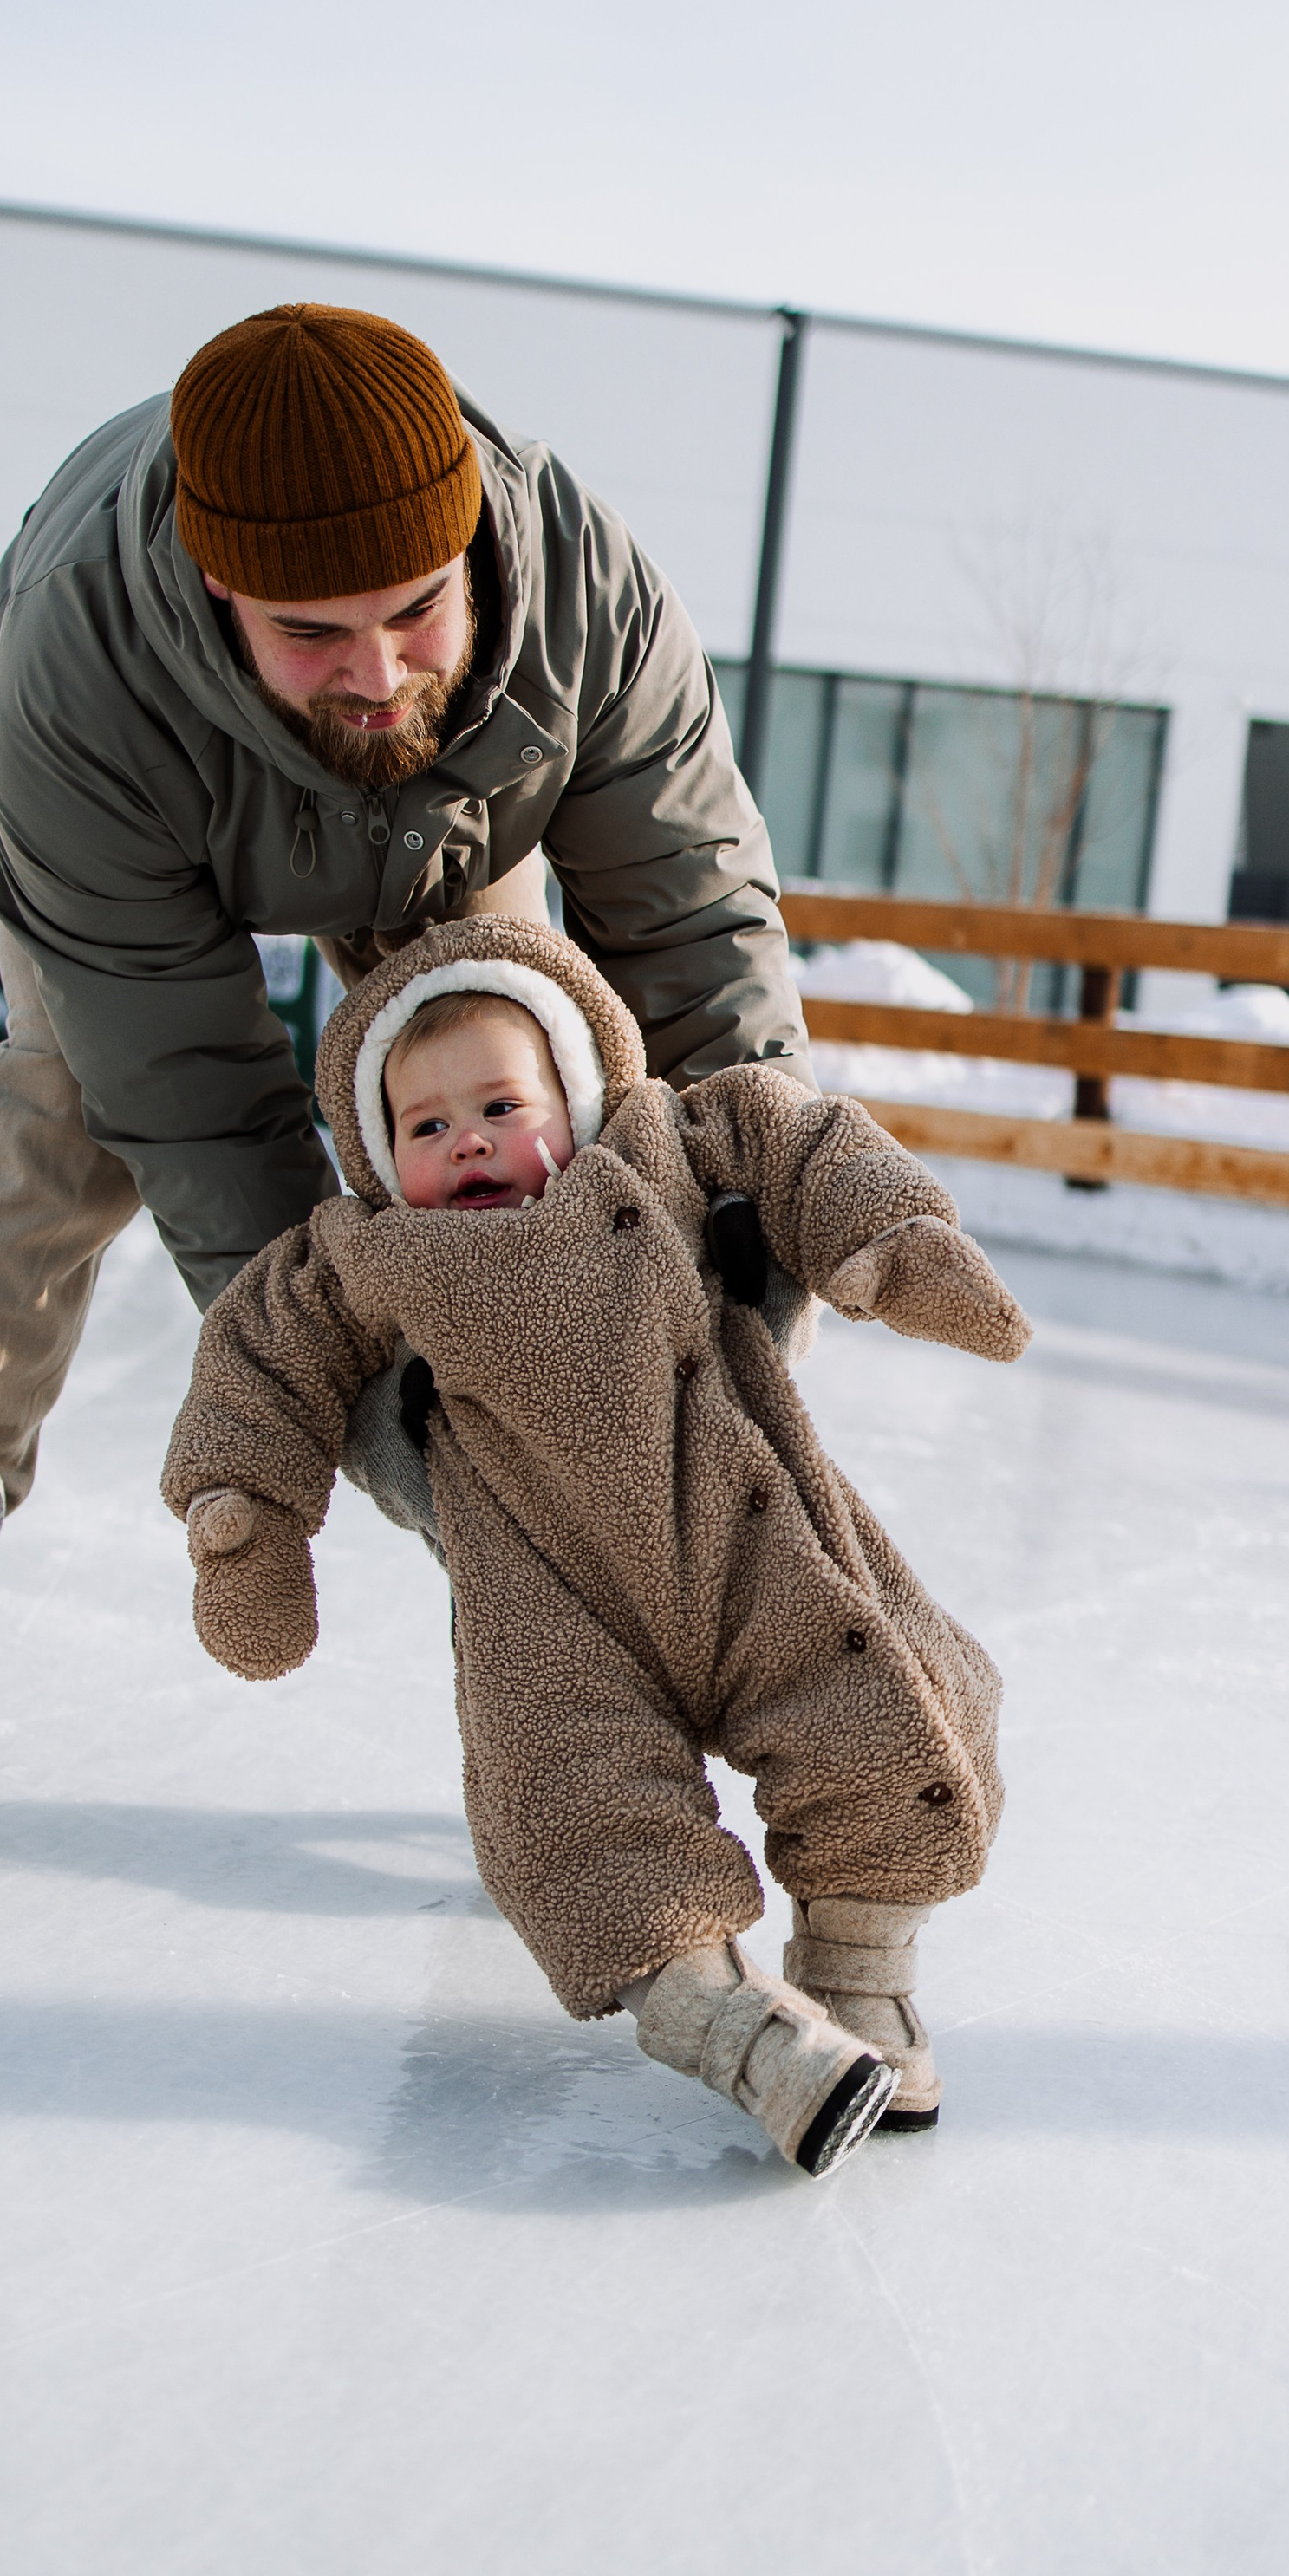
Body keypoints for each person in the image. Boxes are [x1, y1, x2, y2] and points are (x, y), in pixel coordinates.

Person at [0, 302, 813, 1868]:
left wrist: (746, 1235)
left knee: (517, 1093)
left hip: (457, 828)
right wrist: (369, 1411)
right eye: (312, 634)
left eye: (414, 612)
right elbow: (201, 1112)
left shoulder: (583, 596)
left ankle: (573, 1656)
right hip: (158, 807)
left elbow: (692, 936)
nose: (373, 673)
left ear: (472, 538)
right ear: (223, 589)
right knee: (66, 1112)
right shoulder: (76, 670)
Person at [161, 912, 1033, 2172]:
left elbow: (796, 1136)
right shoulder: (363, 1257)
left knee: (896, 1703)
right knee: (570, 1813)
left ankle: (861, 1980)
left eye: (500, 1106)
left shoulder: (666, 1147)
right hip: (546, 1599)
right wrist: (245, 1519)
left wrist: (887, 1243)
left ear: (573, 1097)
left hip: (745, 1529)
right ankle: (737, 2036)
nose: (467, 1138)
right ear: (377, 1153)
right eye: (423, 1125)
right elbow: (260, 1358)